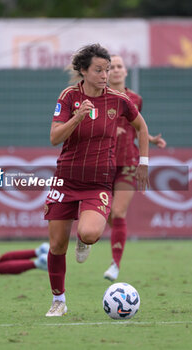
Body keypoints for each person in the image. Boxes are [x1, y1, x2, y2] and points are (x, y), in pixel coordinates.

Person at [44, 44, 149, 317]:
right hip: (66, 179)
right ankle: (59, 301)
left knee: (89, 233)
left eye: (107, 69)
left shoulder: (118, 100)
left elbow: (142, 127)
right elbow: (55, 137)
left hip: (98, 182)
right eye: (99, 70)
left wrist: (144, 163)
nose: (105, 75)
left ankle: (84, 239)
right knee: (56, 245)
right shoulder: (68, 97)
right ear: (83, 71)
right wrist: (77, 117)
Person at [103, 55, 167, 281]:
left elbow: (135, 126)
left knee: (118, 212)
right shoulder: (98, 97)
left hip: (128, 162)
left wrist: (149, 139)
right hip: (102, 162)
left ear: (126, 72)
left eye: (120, 67)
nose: (116, 71)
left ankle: (115, 264)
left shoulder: (135, 99)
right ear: (105, 73)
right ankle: (88, 238)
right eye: (111, 68)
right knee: (103, 214)